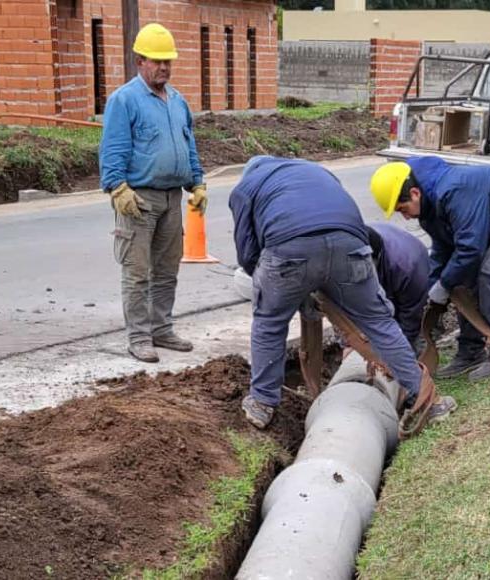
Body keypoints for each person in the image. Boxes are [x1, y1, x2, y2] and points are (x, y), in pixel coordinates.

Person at [229, 156, 456, 429]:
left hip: (289, 248)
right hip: (351, 246)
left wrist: (281, 287)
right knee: (380, 323)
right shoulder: (318, 171)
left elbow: (248, 253)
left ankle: (263, 403)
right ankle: (429, 403)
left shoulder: (246, 187)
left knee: (269, 323)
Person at [370, 156, 490, 381]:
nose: (405, 217)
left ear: (415, 193)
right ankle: (470, 351)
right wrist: (431, 287)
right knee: (461, 277)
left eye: (403, 209)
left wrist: (444, 284)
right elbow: (444, 250)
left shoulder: (455, 190)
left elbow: (471, 248)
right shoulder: (428, 209)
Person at [99, 23, 207, 363]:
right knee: (137, 272)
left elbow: (189, 146)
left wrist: (198, 182)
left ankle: (162, 329)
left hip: (172, 197)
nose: (163, 67)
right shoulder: (125, 100)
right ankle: (139, 337)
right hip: (138, 199)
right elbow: (113, 148)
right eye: (156, 61)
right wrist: (117, 187)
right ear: (139, 61)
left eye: (168, 61)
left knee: (166, 270)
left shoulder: (178, 102)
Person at [365, 222, 429, 351]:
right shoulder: (354, 249)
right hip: (388, 267)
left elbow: (412, 313)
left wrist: (398, 351)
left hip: (412, 282)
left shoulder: (407, 268)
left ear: (376, 258)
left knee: (413, 338)